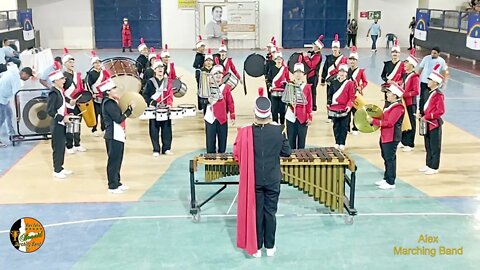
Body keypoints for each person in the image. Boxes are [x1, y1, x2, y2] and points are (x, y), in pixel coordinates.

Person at [233, 87, 292, 258]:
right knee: (270, 213)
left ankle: (257, 247)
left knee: (257, 213)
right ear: (269, 112)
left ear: (255, 112)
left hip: (255, 180)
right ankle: (270, 247)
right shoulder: (279, 130)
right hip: (273, 179)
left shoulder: (246, 132)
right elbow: (287, 152)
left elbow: (237, 153)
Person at [368, 82, 405, 190]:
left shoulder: (398, 108)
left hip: (392, 137)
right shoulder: (391, 106)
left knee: (390, 159)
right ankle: (386, 178)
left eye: (389, 93)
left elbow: (389, 123)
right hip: (385, 136)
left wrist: (374, 121)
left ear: (395, 95)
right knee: (385, 157)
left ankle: (391, 181)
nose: (387, 95)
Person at [99, 78, 133, 193]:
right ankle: (112, 186)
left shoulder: (112, 102)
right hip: (113, 136)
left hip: (118, 135)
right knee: (113, 161)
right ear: (107, 91)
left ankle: (117, 182)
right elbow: (118, 118)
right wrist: (129, 110)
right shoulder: (108, 103)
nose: (115, 90)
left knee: (118, 160)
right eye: (113, 88)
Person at [142, 56, 174, 156]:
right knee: (154, 129)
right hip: (154, 109)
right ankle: (156, 149)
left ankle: (166, 148)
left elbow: (170, 94)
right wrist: (153, 103)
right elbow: (145, 95)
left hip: (165, 108)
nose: (160, 69)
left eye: (162, 67)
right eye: (158, 67)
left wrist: (169, 104)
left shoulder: (168, 82)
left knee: (167, 129)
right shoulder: (150, 82)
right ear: (154, 70)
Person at [46, 65, 73, 179]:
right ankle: (56, 170)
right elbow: (50, 110)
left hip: (61, 123)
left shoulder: (59, 91)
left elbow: (62, 105)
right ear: (55, 81)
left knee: (62, 146)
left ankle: (60, 167)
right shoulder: (53, 93)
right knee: (58, 147)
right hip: (57, 124)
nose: (64, 80)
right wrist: (62, 118)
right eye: (62, 79)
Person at [204, 58, 235, 153]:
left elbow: (230, 102)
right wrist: (206, 100)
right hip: (210, 118)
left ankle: (222, 156)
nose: (218, 76)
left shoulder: (226, 87)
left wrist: (232, 115)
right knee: (210, 140)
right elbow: (201, 100)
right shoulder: (207, 87)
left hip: (222, 118)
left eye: (220, 74)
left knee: (222, 140)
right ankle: (211, 159)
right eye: (215, 74)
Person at [419, 64, 445, 175]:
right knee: (428, 145)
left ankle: (434, 167)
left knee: (435, 146)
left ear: (435, 82)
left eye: (430, 79)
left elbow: (440, 111)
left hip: (434, 123)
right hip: (426, 123)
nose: (428, 81)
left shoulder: (439, 95)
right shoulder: (427, 92)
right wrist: (421, 114)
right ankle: (428, 164)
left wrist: (427, 116)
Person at [0, 65, 32, 147]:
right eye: (28, 76)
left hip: (4, 98)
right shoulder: (16, 79)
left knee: (9, 115)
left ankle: (12, 135)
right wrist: (19, 114)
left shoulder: (12, 72)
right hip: (1, 98)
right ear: (24, 73)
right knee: (1, 119)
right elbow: (16, 99)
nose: (27, 79)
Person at [62, 49, 86, 154]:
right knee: (69, 125)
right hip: (68, 104)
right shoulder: (63, 76)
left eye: (72, 62)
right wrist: (69, 100)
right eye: (69, 62)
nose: (72, 64)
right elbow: (61, 91)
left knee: (77, 124)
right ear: (64, 64)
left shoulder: (77, 75)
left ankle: (77, 144)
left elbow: (81, 88)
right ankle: (69, 145)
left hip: (77, 103)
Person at [286, 56, 312, 149]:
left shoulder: (307, 87)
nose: (298, 74)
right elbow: (286, 99)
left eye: (300, 72)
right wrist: (290, 103)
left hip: (303, 117)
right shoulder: (289, 85)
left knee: (302, 142)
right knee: (290, 141)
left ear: (303, 74)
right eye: (296, 72)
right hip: (290, 116)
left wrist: (310, 117)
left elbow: (309, 103)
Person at [327, 64, 356, 150]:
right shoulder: (333, 82)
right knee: (336, 125)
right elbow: (330, 94)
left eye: (344, 72)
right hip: (335, 108)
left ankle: (342, 142)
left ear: (346, 73)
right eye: (340, 71)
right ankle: (337, 142)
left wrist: (349, 106)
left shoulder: (350, 84)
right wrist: (328, 103)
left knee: (343, 126)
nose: (342, 73)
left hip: (344, 108)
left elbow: (352, 97)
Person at [321, 34, 347, 123]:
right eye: (334, 48)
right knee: (329, 97)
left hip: (339, 82)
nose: (335, 50)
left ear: (339, 49)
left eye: (336, 48)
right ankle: (329, 115)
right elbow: (325, 69)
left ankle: (337, 113)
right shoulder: (329, 58)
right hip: (329, 81)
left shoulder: (343, 59)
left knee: (337, 97)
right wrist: (322, 79)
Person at [86, 50, 111, 136]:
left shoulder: (103, 72)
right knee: (95, 114)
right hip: (95, 96)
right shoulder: (91, 74)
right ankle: (94, 129)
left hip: (103, 95)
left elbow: (109, 80)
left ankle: (103, 128)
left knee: (104, 114)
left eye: (98, 62)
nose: (97, 64)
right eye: (95, 63)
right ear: (93, 64)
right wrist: (92, 93)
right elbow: (88, 85)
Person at [416, 47, 447, 116]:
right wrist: (416, 77)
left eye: (435, 53)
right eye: (432, 52)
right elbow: (420, 68)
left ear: (439, 54)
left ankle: (430, 112)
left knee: (432, 98)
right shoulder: (426, 58)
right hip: (424, 81)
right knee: (423, 97)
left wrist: (443, 81)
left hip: (434, 83)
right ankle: (421, 111)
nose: (432, 54)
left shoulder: (441, 61)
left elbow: (444, 71)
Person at [399, 49, 420, 152]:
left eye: (406, 62)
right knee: (404, 122)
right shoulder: (405, 75)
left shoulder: (414, 77)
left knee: (411, 123)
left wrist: (404, 94)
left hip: (411, 103)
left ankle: (410, 143)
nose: (404, 64)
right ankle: (403, 141)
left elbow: (416, 91)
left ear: (412, 65)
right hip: (403, 102)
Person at [347, 46, 368, 136]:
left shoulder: (360, 71)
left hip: (356, 94)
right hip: (348, 94)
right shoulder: (346, 71)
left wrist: (361, 87)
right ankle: (347, 128)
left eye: (354, 60)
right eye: (351, 59)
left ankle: (355, 128)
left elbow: (365, 82)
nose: (352, 61)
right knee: (347, 111)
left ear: (356, 61)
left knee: (356, 112)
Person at [266, 48, 289, 125]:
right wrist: (270, 86)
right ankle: (275, 127)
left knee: (282, 111)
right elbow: (268, 80)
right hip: (274, 94)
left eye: (280, 59)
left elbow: (288, 79)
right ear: (275, 60)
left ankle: (282, 126)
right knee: (274, 111)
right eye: (277, 59)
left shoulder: (285, 69)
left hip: (283, 93)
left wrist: (286, 84)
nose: (279, 60)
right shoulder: (272, 69)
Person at [303, 35, 323, 111]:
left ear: (317, 47)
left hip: (313, 75)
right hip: (310, 75)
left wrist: (306, 57)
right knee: (310, 90)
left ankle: (313, 106)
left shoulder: (318, 56)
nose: (313, 46)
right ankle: (311, 105)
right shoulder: (314, 53)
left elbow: (311, 65)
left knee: (312, 91)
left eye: (314, 45)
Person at [198, 48, 214, 114]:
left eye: (210, 60)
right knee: (206, 114)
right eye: (207, 60)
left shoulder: (215, 71)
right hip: (205, 95)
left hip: (214, 95)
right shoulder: (201, 71)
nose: (209, 62)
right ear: (204, 62)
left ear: (212, 62)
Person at [193, 36, 206, 111]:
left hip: (201, 73)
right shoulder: (198, 56)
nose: (203, 48)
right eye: (202, 46)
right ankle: (200, 106)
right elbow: (195, 65)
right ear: (198, 48)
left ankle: (201, 105)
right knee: (200, 89)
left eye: (204, 46)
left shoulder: (201, 56)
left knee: (202, 89)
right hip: (199, 74)